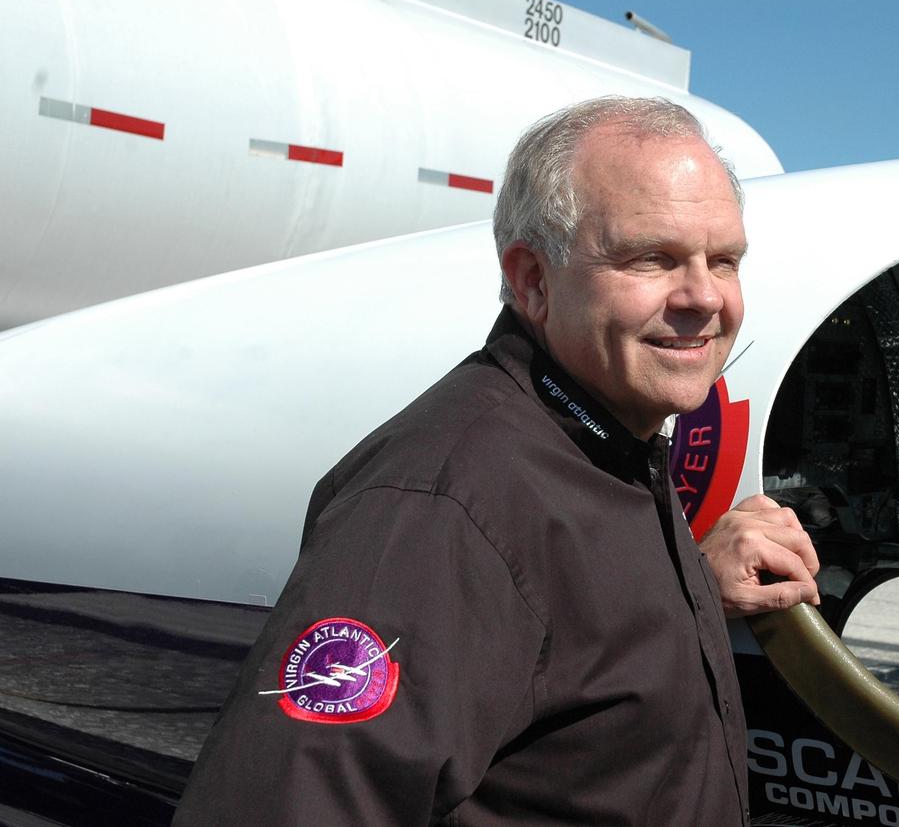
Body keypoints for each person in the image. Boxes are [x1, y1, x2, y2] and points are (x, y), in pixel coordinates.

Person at [175, 96, 820, 825]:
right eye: (652, 258)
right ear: (533, 281)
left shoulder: (606, 443)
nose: (705, 297)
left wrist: (688, 590)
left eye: (724, 260)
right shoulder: (440, 508)